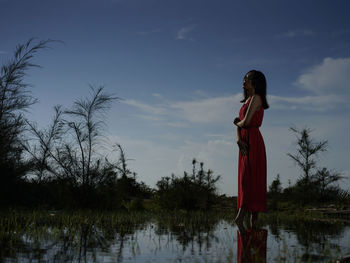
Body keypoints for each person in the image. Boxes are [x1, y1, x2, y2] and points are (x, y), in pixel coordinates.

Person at [233, 70, 269, 228]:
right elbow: (239, 125)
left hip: (254, 141)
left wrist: (236, 123)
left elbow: (245, 122)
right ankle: (244, 220)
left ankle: (244, 218)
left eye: (247, 79)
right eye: (244, 79)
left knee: (251, 178)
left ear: (255, 82)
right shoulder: (246, 101)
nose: (244, 81)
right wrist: (238, 139)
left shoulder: (256, 98)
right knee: (244, 178)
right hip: (244, 141)